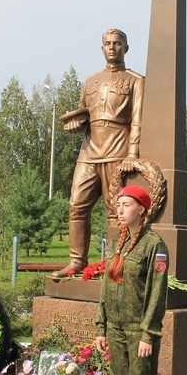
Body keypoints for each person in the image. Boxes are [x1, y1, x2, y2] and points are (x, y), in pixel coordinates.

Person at [51, 28, 145, 278]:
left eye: (117, 43)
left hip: (117, 149)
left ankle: (114, 264)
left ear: (126, 48)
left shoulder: (136, 80)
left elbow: (137, 119)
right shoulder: (91, 80)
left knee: (116, 210)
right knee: (77, 205)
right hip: (89, 151)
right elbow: (82, 115)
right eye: (107, 43)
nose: (112, 47)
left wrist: (132, 152)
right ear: (102, 48)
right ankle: (76, 261)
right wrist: (75, 124)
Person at [95, 185, 168, 375]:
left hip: (139, 331)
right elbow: (105, 287)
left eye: (126, 204)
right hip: (115, 328)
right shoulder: (116, 242)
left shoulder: (154, 245)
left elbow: (157, 293)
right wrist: (101, 326)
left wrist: (149, 334)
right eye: (118, 204)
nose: (120, 209)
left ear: (142, 209)